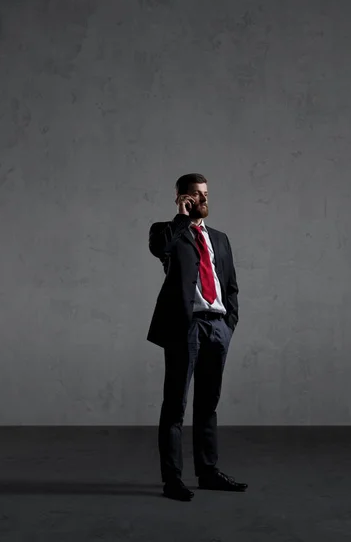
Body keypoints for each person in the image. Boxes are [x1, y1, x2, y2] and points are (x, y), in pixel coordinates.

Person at [147, 173, 248, 501]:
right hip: (184, 328)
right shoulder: (169, 233)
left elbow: (230, 285)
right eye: (197, 195)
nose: (204, 200)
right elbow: (159, 248)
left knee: (208, 405)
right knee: (175, 405)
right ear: (183, 197)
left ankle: (207, 472)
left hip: (217, 328)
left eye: (206, 194)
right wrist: (181, 218)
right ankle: (172, 480)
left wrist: (229, 325)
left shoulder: (220, 238)